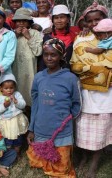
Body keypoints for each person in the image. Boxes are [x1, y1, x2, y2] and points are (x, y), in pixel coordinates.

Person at [27, 38, 81, 177]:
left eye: (54, 54)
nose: (49, 58)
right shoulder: (39, 77)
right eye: (46, 54)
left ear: (61, 56)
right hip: (41, 127)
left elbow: (76, 103)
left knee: (62, 168)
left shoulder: (70, 78)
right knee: (37, 160)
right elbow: (35, 104)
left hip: (61, 129)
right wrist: (32, 129)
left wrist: (66, 118)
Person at [70, 2, 112, 178]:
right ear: (84, 23)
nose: (94, 24)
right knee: (84, 127)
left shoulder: (109, 39)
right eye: (90, 21)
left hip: (106, 91)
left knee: (102, 127)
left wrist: (100, 70)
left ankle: (94, 164)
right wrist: (98, 70)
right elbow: (75, 64)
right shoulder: (81, 38)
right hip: (87, 90)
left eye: (98, 19)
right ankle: (84, 157)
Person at [12, 8, 42, 109]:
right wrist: (15, 36)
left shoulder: (35, 33)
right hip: (15, 71)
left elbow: (38, 52)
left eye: (24, 21)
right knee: (15, 98)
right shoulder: (11, 34)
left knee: (29, 98)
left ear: (29, 22)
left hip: (30, 73)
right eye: (18, 21)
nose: (21, 23)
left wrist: (28, 37)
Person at [0, 74, 28, 155]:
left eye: (11, 88)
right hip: (6, 122)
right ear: (1, 88)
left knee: (18, 137)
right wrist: (4, 105)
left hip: (16, 120)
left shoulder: (17, 94)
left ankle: (17, 151)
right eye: (6, 88)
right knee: (7, 137)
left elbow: (23, 104)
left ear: (14, 87)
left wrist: (16, 101)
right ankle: (9, 152)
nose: (9, 90)